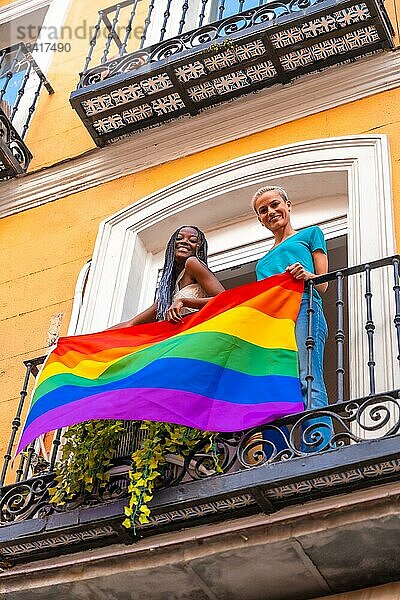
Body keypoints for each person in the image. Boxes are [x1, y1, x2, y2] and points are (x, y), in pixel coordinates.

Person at [251, 185, 331, 452]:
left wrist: (306, 275)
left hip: (305, 308)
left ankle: (318, 444)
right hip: (274, 324)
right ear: (261, 220)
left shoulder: (310, 234)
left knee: (307, 375)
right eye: (264, 211)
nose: (271, 212)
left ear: (288, 205)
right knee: (276, 385)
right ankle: (275, 453)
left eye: (275, 205)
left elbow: (323, 285)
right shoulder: (261, 264)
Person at [110, 225, 224, 329]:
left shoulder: (192, 263)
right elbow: (130, 324)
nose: (184, 242)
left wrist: (184, 301)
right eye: (179, 238)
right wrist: (95, 337)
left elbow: (223, 299)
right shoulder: (167, 295)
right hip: (176, 342)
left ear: (199, 248)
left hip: (195, 335)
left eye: (193, 240)